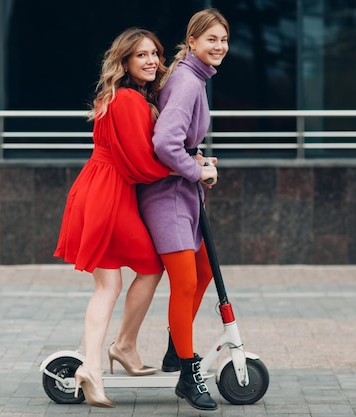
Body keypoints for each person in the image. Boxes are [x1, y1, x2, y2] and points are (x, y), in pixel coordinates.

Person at [53, 27, 173, 408]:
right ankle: (119, 347)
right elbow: (141, 163)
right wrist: (190, 169)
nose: (152, 60)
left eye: (154, 52)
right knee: (148, 268)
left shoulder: (121, 97)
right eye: (141, 55)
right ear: (124, 62)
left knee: (109, 285)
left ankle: (98, 361)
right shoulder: (127, 101)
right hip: (108, 192)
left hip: (99, 188)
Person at [137, 8, 229, 411]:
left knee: (205, 268)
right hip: (168, 197)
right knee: (186, 283)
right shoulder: (188, 82)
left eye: (224, 40)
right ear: (191, 41)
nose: (220, 46)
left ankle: (177, 345)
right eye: (212, 39)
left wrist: (197, 158)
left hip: (183, 192)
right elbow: (164, 144)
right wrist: (196, 169)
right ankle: (188, 376)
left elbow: (180, 139)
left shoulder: (191, 77)